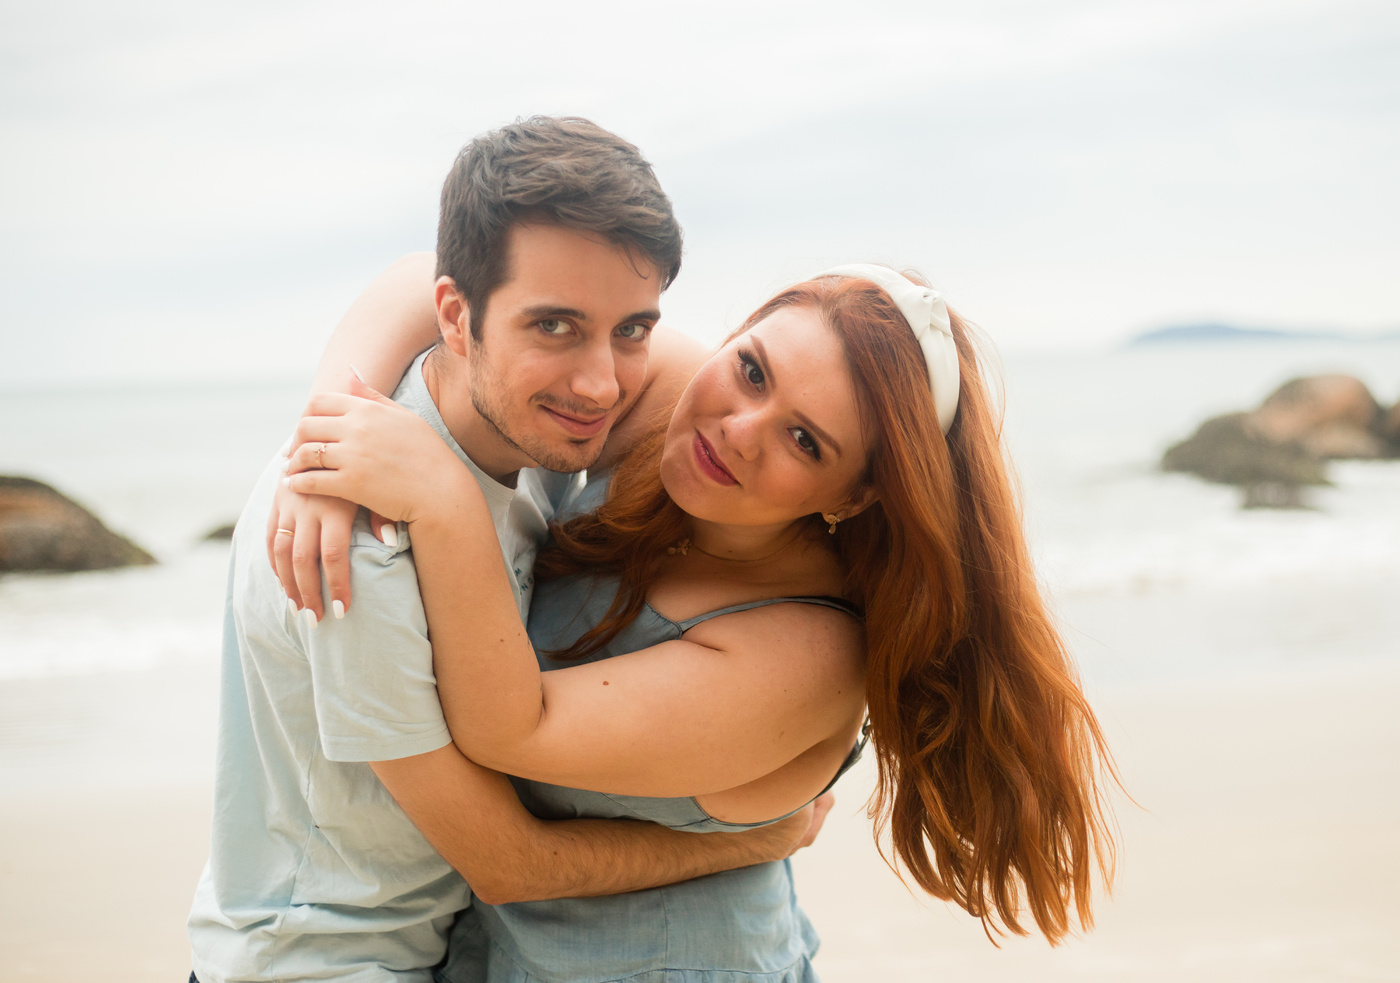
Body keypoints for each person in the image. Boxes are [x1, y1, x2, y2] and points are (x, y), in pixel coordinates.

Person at [282, 263, 1119, 981]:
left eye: (805, 440)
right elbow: (435, 280)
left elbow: (511, 728)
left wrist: (442, 498)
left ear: (857, 494)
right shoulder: (687, 404)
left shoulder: (804, 653)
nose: (741, 429)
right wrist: (321, 443)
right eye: (753, 369)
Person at [186, 116, 829, 983]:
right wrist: (751, 838)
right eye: (554, 326)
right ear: (458, 318)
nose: (601, 384)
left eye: (632, 330)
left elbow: (411, 278)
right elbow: (507, 863)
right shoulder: (363, 543)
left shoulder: (528, 439)